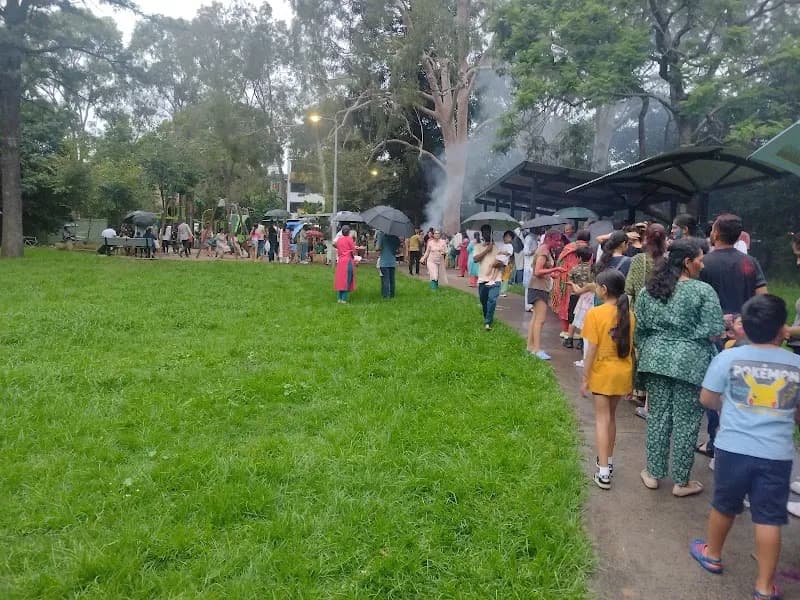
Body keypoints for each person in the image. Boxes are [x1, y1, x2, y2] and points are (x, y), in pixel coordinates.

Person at [690, 295, 800, 600]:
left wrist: (726, 406)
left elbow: (707, 398)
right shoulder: (796, 364)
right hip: (776, 454)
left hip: (733, 448)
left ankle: (712, 554)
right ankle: (764, 587)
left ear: (745, 328)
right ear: (782, 329)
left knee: (724, 505)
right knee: (769, 516)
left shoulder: (727, 358)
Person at [635, 239, 725, 497]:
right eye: (700, 258)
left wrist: (649, 349)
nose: (703, 263)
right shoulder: (702, 291)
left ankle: (652, 473)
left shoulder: (649, 290)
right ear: (688, 262)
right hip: (690, 362)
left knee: (658, 416)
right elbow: (714, 330)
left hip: (655, 359)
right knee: (687, 421)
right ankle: (682, 482)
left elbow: (640, 328)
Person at [697, 213, 768, 462]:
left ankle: (715, 441)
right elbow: (762, 297)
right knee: (742, 389)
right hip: (745, 335)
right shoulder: (750, 262)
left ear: (715, 233)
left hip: (712, 335)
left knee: (714, 388)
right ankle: (742, 439)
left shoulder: (703, 262)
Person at [580, 270, 635, 490]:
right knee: (611, 418)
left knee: (602, 419)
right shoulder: (629, 315)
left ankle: (603, 473)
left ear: (603, 290)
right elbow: (631, 348)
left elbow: (591, 349)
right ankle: (608, 462)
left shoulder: (595, 313)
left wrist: (585, 377)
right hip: (623, 372)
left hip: (603, 372)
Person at [625, 223, 668, 419]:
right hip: (663, 312)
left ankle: (638, 390)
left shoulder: (638, 260)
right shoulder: (668, 262)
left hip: (639, 312)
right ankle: (654, 393)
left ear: (646, 239)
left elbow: (630, 289)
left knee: (638, 351)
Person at [526, 229, 565, 360]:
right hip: (539, 288)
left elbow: (540, 271)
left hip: (538, 286)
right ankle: (536, 349)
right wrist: (556, 269)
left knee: (535, 318)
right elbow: (537, 271)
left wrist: (550, 274)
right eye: (556, 240)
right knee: (540, 320)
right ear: (548, 238)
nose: (558, 243)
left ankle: (530, 347)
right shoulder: (544, 251)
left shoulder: (543, 249)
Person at [550, 230, 592, 336]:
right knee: (580, 310)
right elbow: (589, 266)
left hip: (565, 280)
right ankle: (577, 333)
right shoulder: (587, 250)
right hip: (581, 285)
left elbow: (560, 262)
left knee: (565, 306)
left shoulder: (568, 247)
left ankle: (565, 330)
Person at [563, 246, 594, 350]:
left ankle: (569, 340)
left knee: (573, 318)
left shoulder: (574, 269)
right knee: (585, 319)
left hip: (575, 296)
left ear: (579, 258)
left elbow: (569, 282)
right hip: (588, 298)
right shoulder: (593, 269)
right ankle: (581, 342)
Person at [472, 225, 502, 330]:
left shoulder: (498, 247)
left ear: (491, 233)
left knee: (492, 300)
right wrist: (487, 250)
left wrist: (496, 264)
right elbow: (475, 259)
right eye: (484, 232)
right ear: (482, 234)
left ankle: (488, 322)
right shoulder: (478, 246)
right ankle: (487, 317)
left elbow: (503, 263)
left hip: (496, 278)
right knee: (483, 301)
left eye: (488, 232)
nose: (486, 234)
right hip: (482, 278)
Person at [334, 225, 358, 303]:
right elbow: (353, 251)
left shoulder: (339, 240)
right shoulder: (350, 239)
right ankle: (344, 299)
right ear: (348, 232)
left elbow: (337, 247)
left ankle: (339, 298)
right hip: (348, 261)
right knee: (347, 280)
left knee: (340, 280)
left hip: (340, 261)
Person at [376, 231, 400, 299]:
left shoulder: (381, 235)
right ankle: (392, 295)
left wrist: (382, 247)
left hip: (384, 261)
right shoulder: (395, 237)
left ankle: (386, 296)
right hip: (392, 261)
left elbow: (377, 248)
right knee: (392, 279)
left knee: (385, 279)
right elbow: (398, 250)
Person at [522, 229, 539, 311]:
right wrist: (535, 251)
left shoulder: (535, 238)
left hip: (534, 264)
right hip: (529, 265)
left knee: (533, 285)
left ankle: (532, 303)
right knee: (529, 286)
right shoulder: (529, 238)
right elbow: (525, 252)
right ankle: (528, 305)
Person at [498, 231, 515, 297]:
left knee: (505, 278)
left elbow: (509, 253)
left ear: (511, 239)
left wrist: (503, 252)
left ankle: (503, 291)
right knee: (500, 277)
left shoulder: (510, 246)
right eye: (506, 237)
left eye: (509, 237)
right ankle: (499, 290)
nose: (506, 238)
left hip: (506, 264)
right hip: (500, 263)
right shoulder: (502, 245)